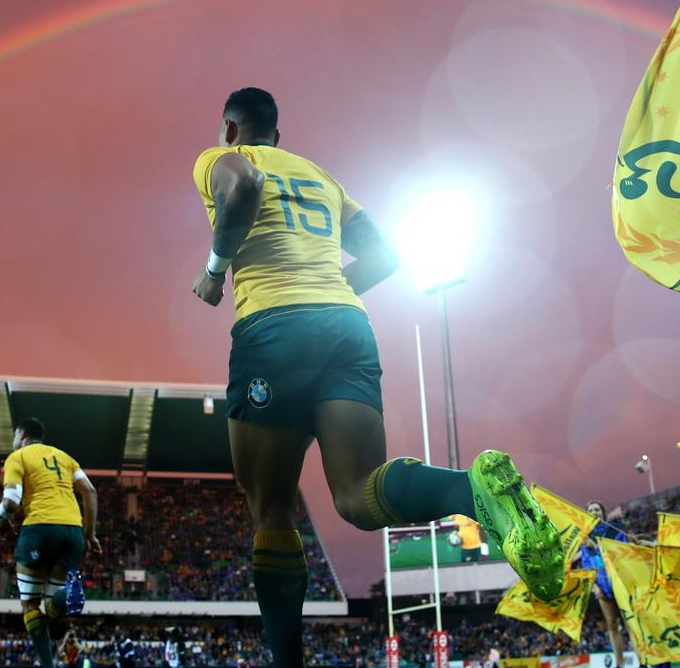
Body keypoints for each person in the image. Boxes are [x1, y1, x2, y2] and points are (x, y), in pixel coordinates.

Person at [189, 87, 562, 666]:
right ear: (279, 136)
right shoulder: (322, 178)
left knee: (271, 511)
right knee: (358, 495)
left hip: (271, 328)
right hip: (347, 325)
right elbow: (386, 256)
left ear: (230, 130)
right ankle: (474, 492)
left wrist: (214, 274)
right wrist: (328, 298)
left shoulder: (220, 159)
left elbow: (241, 186)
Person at [0, 417, 100, 668]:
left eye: (14, 436)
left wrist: (1, 520)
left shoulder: (18, 457)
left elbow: (11, 501)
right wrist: (90, 534)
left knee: (30, 605)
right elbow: (90, 491)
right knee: (53, 605)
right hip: (73, 531)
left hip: (40, 528)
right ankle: (66, 594)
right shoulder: (65, 457)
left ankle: (47, 665)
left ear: (22, 435)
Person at [577, 501, 628, 667]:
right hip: (602, 585)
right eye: (590, 510)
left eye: (597, 509)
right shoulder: (585, 537)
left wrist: (597, 547)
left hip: (620, 582)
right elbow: (587, 563)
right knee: (612, 625)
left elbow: (622, 555)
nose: (594, 512)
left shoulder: (615, 530)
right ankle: (619, 664)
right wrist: (595, 586)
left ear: (603, 512)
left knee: (630, 624)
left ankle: (642, 661)